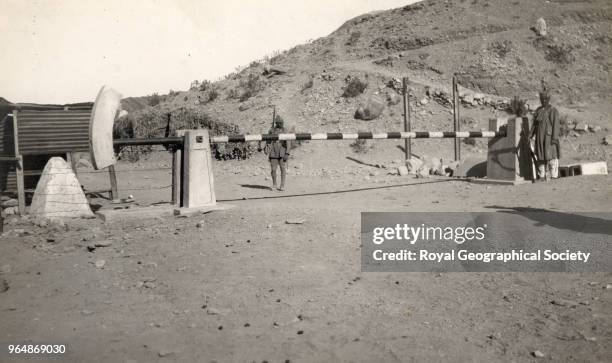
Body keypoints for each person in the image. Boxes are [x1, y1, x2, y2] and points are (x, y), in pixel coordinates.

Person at [530, 89, 560, 181]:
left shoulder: (553, 110)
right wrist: (530, 134)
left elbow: (555, 124)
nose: (543, 101)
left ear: (549, 99)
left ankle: (554, 175)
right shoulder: (538, 110)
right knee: (540, 156)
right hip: (539, 137)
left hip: (549, 137)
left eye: (545, 99)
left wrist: (554, 138)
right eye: (542, 99)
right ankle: (541, 176)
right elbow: (535, 124)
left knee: (551, 156)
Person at [264, 115, 291, 191]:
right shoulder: (271, 130)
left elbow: (288, 142)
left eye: (281, 123)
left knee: (283, 169)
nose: (281, 124)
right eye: (279, 123)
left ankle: (282, 186)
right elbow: (268, 141)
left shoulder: (285, 130)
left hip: (282, 152)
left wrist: (287, 153)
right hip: (273, 152)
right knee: (273, 169)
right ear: (276, 123)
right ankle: (274, 184)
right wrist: (266, 150)